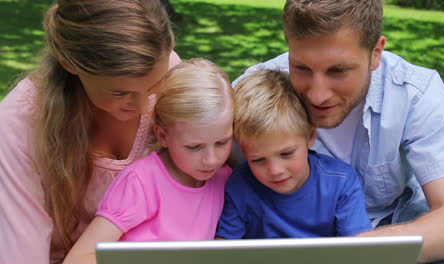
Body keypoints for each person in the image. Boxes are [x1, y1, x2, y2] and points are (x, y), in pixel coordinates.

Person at [232, 0, 444, 263]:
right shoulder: (256, 96)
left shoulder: (415, 94)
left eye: (339, 71)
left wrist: (350, 252)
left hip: (388, 242)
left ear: (376, 52)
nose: (318, 95)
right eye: (301, 68)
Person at [0, 0, 182, 263]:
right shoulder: (17, 124)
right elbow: (22, 255)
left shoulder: (171, 72)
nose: (144, 106)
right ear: (69, 63)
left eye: (155, 83)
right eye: (120, 92)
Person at [63, 58, 234, 264]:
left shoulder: (225, 177)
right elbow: (78, 259)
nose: (211, 160)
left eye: (222, 142)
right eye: (194, 147)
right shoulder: (142, 181)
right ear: (162, 136)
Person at [215, 69, 371, 240]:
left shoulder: (341, 181)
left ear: (310, 136)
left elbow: (359, 246)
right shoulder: (240, 184)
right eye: (258, 159)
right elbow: (223, 248)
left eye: (286, 153)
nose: (275, 170)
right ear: (243, 152)